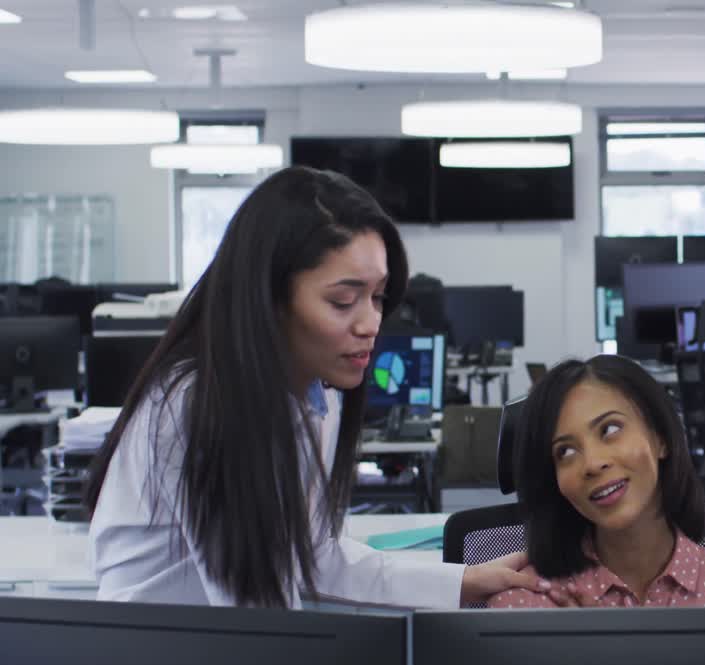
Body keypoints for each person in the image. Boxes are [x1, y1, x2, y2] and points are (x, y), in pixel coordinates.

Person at [85, 166, 549, 609]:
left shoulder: (317, 393)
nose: (371, 323)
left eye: (378, 297)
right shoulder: (204, 406)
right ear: (268, 299)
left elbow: (316, 557)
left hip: (211, 659)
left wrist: (466, 582)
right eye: (343, 300)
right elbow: (257, 615)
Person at [488, 355, 705, 609]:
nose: (594, 463)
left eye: (610, 429)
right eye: (566, 451)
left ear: (661, 439)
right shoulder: (525, 602)